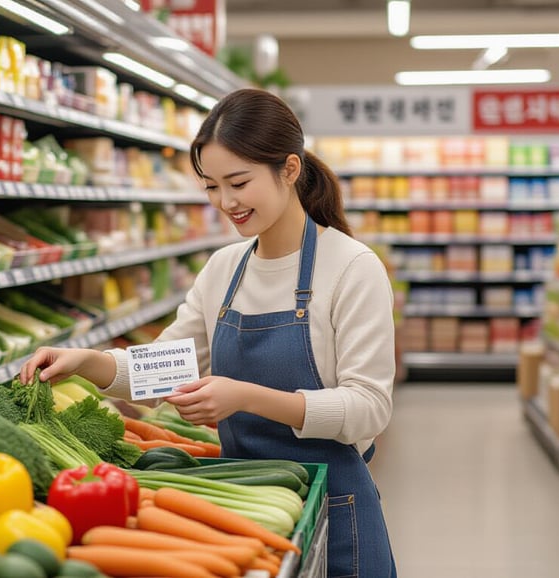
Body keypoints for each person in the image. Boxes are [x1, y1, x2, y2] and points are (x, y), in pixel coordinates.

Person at [20, 88, 397, 577]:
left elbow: (368, 408)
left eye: (238, 182)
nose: (226, 202)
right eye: (212, 187)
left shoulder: (352, 267)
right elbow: (165, 368)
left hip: (335, 507)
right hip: (248, 503)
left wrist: (245, 397)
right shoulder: (225, 269)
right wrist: (87, 362)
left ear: (289, 169)